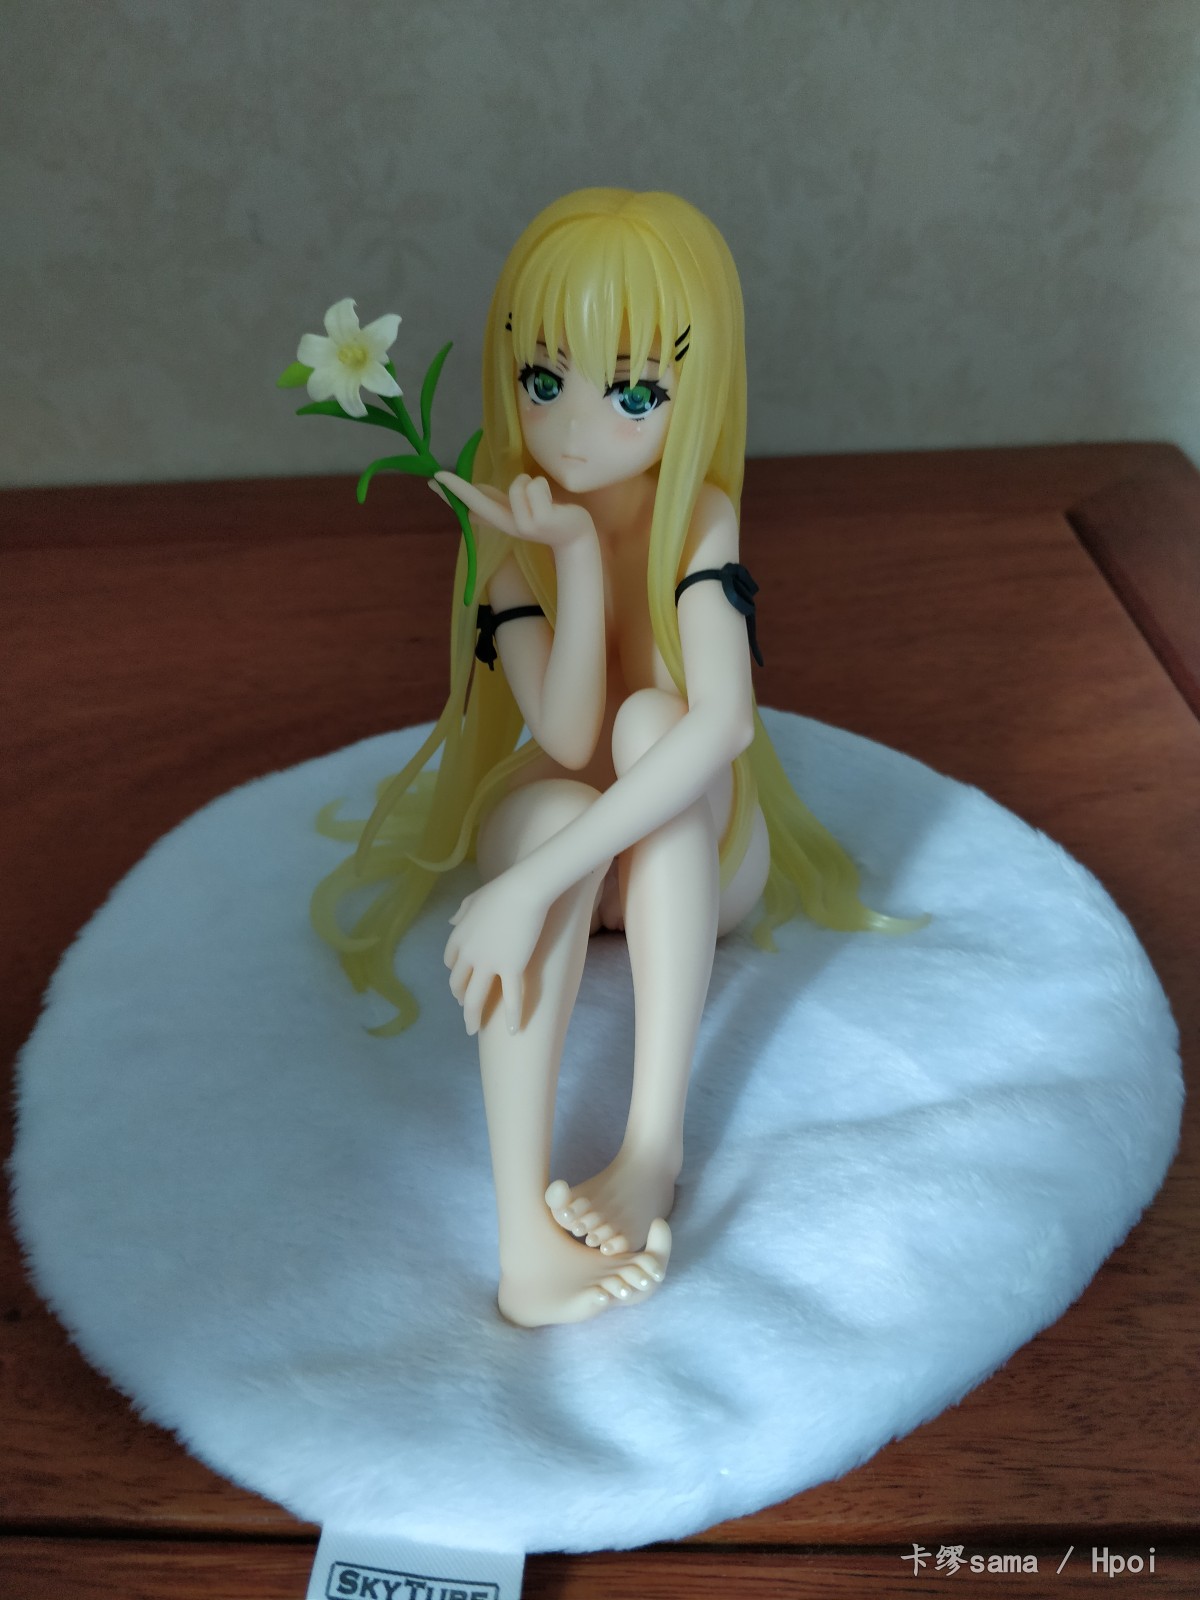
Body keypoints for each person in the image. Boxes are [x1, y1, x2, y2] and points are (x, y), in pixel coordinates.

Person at [313, 188, 910, 1327]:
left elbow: (720, 726)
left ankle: (650, 1148)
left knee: (656, 725)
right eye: (545, 381)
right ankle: (524, 1245)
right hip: (575, 818)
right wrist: (574, 559)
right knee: (561, 795)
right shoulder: (509, 521)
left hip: (690, 860)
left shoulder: (702, 516)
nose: (577, 427)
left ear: (697, 390)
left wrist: (524, 889)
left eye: (634, 392)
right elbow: (564, 738)